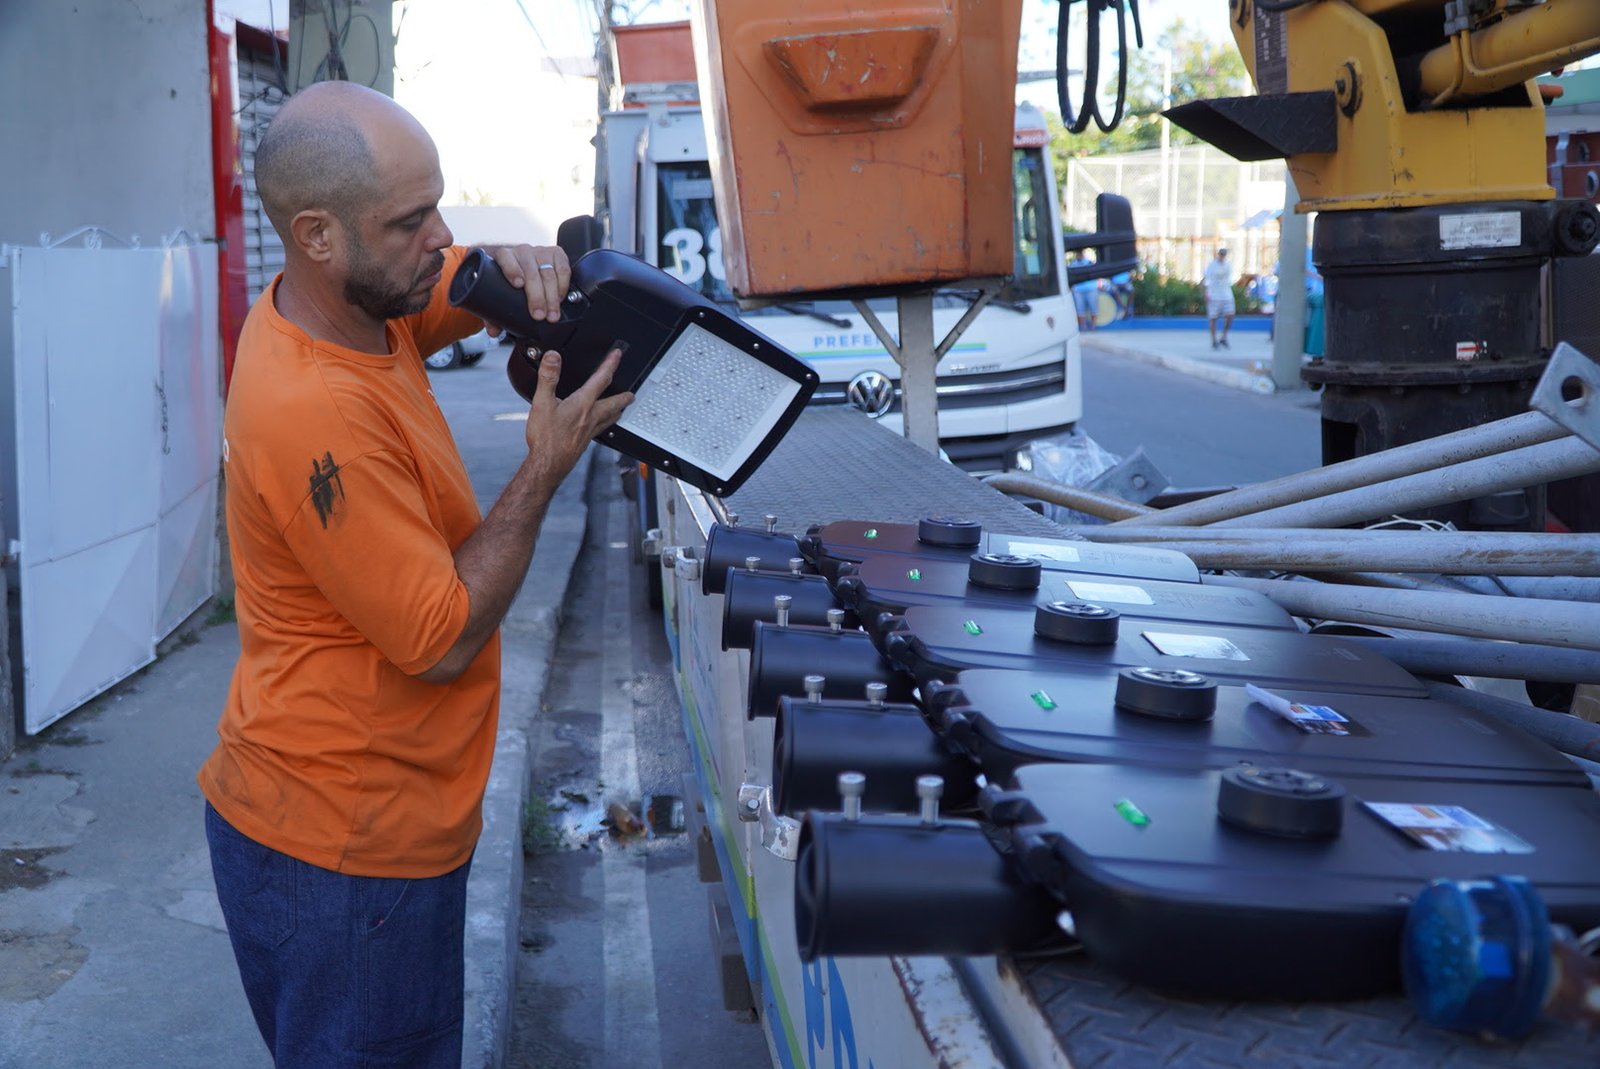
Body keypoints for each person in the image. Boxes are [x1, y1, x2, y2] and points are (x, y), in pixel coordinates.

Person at [196, 80, 632, 1069]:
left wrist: (519, 272)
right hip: (346, 849)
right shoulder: (312, 409)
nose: (438, 234)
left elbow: (453, 287)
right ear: (315, 235)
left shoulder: (362, 301)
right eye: (409, 220)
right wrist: (543, 467)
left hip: (369, 827)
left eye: (438, 203)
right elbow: (440, 639)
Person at [1203, 247, 1236, 349]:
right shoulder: (1211, 265)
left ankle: (1223, 337)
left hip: (1226, 294)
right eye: (1221, 254)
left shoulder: (1228, 265)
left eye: (1224, 254)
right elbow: (1204, 280)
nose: (1222, 256)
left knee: (1230, 315)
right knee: (1213, 318)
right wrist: (1206, 293)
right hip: (1214, 295)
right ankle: (1214, 340)